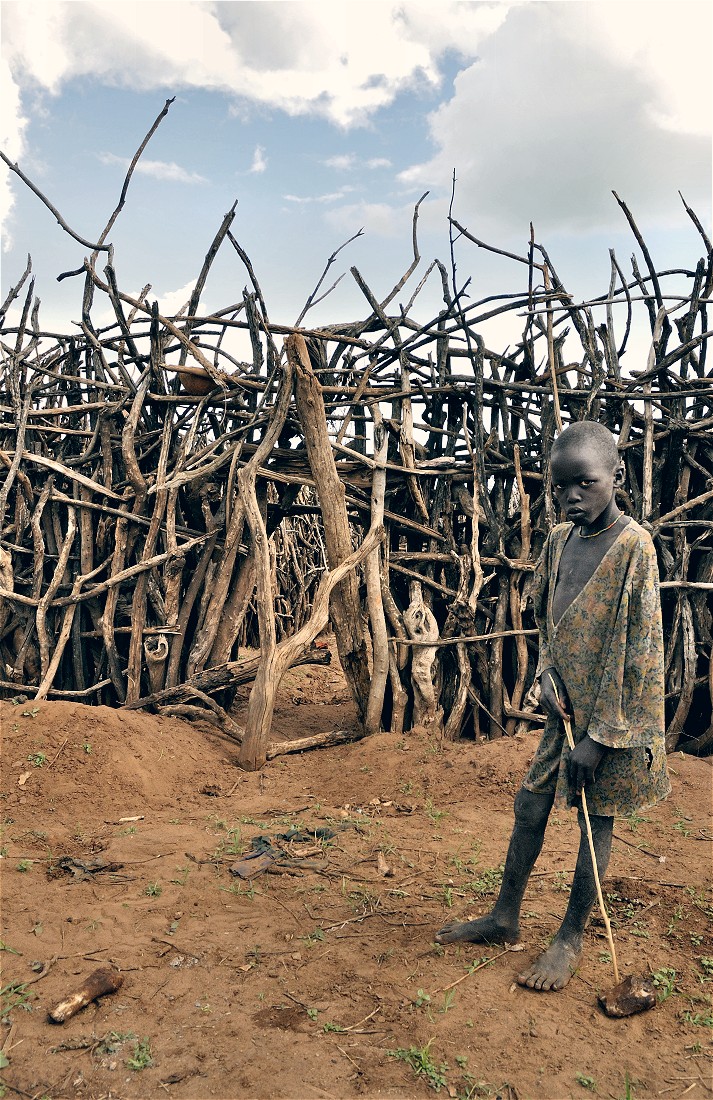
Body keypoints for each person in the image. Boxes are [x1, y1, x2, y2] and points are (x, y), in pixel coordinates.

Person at [436, 420, 670, 991]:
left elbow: (643, 658)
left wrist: (600, 739)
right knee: (529, 807)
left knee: (595, 823)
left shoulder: (634, 548)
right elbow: (545, 619)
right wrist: (544, 676)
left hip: (612, 723)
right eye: (559, 486)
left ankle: (570, 936)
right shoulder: (559, 541)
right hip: (563, 713)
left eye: (584, 484)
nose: (570, 497)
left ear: (617, 476)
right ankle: (504, 916)